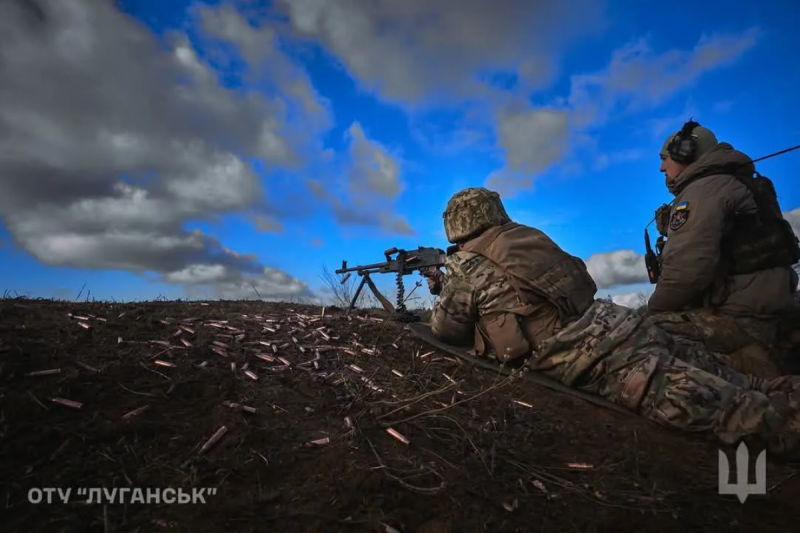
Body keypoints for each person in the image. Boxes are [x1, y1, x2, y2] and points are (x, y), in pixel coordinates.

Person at [424, 187, 800, 460]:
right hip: (616, 323)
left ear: (455, 227)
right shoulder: (529, 238)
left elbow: (447, 330)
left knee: (728, 412)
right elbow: (578, 282)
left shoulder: (468, 266)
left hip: (591, 356)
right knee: (743, 381)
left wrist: (443, 285)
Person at [649, 120, 800, 378]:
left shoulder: (704, 190)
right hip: (769, 309)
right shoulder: (731, 182)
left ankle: (754, 366)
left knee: (639, 332)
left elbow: (686, 272)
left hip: (742, 319)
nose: (662, 167)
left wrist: (652, 310)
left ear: (685, 152)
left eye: (665, 158)